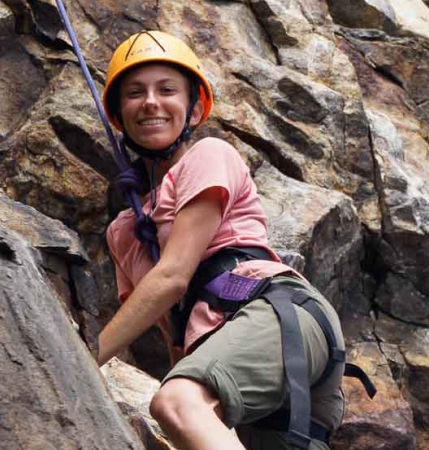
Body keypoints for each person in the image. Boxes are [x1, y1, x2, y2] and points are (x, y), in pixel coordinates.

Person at [96, 30, 347, 450]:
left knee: (177, 403)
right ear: (119, 117)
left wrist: (86, 356)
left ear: (194, 110)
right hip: (244, 351)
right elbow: (173, 332)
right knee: (186, 412)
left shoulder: (208, 155)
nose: (151, 102)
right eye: (135, 93)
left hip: (277, 314)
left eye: (167, 90)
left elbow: (173, 277)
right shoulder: (124, 232)